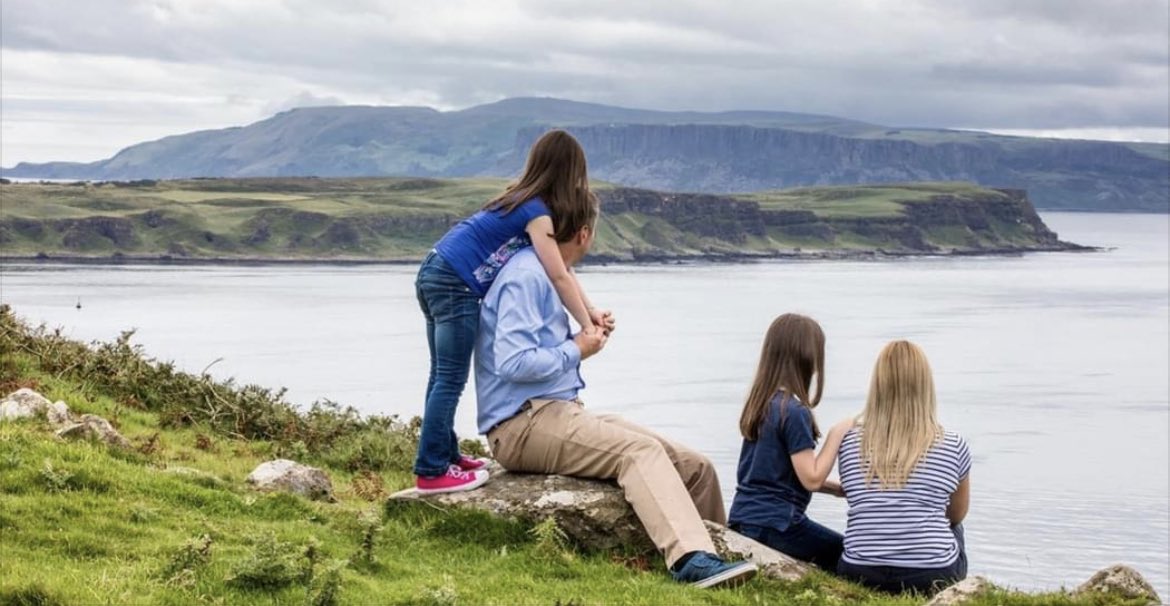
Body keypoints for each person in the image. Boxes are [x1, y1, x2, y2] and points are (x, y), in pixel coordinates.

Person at [474, 195, 756, 589]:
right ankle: (690, 560)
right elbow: (512, 362)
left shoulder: (547, 272)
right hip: (521, 424)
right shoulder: (526, 276)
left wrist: (583, 333)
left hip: (556, 410)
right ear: (585, 234)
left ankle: (719, 560)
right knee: (639, 452)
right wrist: (577, 348)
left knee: (697, 468)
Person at [413, 129, 613, 494]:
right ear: (570, 172)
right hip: (454, 284)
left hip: (435, 272)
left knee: (441, 374)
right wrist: (587, 329)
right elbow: (558, 275)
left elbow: (561, 269)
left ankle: (445, 454)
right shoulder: (539, 215)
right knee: (450, 378)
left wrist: (592, 311)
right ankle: (431, 470)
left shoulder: (517, 199)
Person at [835, 340, 971, 595]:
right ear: (925, 386)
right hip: (932, 575)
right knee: (955, 528)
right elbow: (956, 515)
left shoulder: (849, 442)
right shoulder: (953, 444)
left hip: (861, 571)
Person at [727, 314, 854, 571]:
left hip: (743, 519)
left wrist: (837, 489)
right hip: (778, 525)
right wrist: (837, 434)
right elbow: (811, 479)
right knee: (847, 554)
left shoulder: (761, 404)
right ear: (808, 358)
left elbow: (781, 476)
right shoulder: (794, 412)